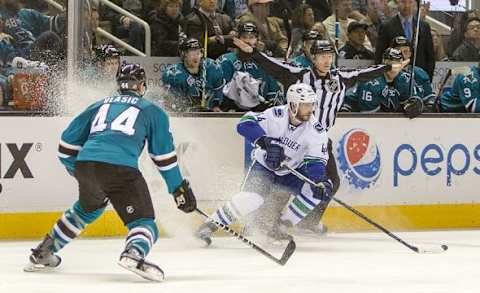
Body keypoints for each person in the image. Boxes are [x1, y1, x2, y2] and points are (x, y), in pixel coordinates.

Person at [24, 62, 197, 282]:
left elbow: (65, 147)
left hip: (86, 164)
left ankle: (43, 252)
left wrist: (78, 170)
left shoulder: (98, 105)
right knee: (144, 223)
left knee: (87, 210)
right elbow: (164, 158)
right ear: (142, 86)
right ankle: (133, 253)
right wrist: (178, 189)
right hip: (120, 168)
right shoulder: (153, 111)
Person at [232, 38, 408, 234]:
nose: (327, 60)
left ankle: (306, 221)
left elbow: (362, 74)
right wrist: (253, 52)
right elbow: (273, 66)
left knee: (330, 182)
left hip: (318, 142)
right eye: (322, 56)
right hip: (291, 139)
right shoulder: (299, 75)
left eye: (330, 56)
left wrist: (387, 66)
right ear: (313, 58)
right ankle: (261, 223)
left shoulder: (340, 78)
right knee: (282, 183)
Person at [195, 83, 333, 244]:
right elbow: (244, 123)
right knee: (252, 199)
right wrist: (265, 141)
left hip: (291, 172)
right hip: (264, 167)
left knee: (317, 190)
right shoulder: (275, 115)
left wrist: (320, 180)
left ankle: (279, 228)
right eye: (305, 105)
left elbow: (316, 162)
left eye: (312, 104)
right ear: (293, 105)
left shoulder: (316, 131)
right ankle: (209, 225)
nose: (310, 109)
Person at [219, 21, 283, 111]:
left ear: (257, 40)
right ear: (237, 40)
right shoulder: (227, 61)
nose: (247, 41)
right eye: (244, 37)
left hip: (260, 112)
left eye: (251, 37)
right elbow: (222, 92)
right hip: (233, 112)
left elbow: (272, 92)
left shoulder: (265, 61)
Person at [342, 47, 422, 116]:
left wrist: (416, 104)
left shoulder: (406, 79)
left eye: (397, 62)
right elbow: (369, 116)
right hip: (352, 111)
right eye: (390, 63)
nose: (393, 66)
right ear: (383, 62)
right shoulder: (371, 81)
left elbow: (416, 100)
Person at [374, 0, 435, 81]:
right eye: (403, 2)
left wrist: (427, 79)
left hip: (419, 79)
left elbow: (430, 57)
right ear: (397, 3)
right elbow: (379, 55)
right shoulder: (387, 26)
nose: (406, 6)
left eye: (410, 2)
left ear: (415, 4)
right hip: (394, 79)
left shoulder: (424, 27)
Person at [161, 38, 225, 112]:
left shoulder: (213, 68)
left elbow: (218, 92)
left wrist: (216, 106)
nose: (196, 57)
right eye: (192, 54)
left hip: (209, 115)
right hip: (185, 117)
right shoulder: (174, 74)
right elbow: (174, 104)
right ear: (183, 54)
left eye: (198, 53)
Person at [389, 36, 435, 110]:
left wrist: (427, 107)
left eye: (406, 52)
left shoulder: (420, 73)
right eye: (398, 52)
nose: (402, 55)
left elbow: (429, 97)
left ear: (410, 53)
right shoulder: (386, 73)